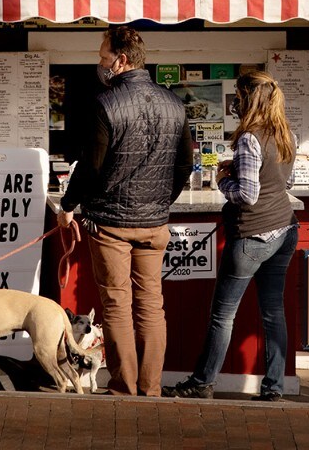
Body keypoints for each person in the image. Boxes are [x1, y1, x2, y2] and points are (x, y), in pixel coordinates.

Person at [58, 26, 195, 396]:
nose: (100, 64)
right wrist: (162, 202)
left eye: (103, 57)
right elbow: (185, 165)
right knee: (152, 306)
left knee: (117, 306)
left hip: (112, 224)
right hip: (155, 223)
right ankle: (150, 391)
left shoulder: (106, 103)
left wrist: (68, 206)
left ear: (120, 60)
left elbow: (91, 167)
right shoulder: (174, 103)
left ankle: (124, 389)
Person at [163, 70, 299, 401]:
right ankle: (274, 388)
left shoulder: (250, 138)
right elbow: (286, 183)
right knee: (273, 312)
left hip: (252, 235)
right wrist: (240, 169)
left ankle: (202, 382)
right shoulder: (285, 134)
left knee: (223, 315)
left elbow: (247, 195)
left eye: (237, 97)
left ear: (247, 99)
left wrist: (223, 179)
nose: (234, 103)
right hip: (285, 229)